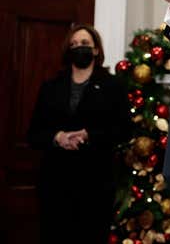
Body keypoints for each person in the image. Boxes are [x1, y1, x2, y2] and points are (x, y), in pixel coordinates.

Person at [27, 24, 131, 244]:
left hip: (95, 185)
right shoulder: (51, 86)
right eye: (73, 44)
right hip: (55, 184)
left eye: (84, 44)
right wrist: (57, 137)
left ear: (95, 50)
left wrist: (89, 135)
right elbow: (34, 133)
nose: (78, 48)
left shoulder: (113, 86)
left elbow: (124, 130)